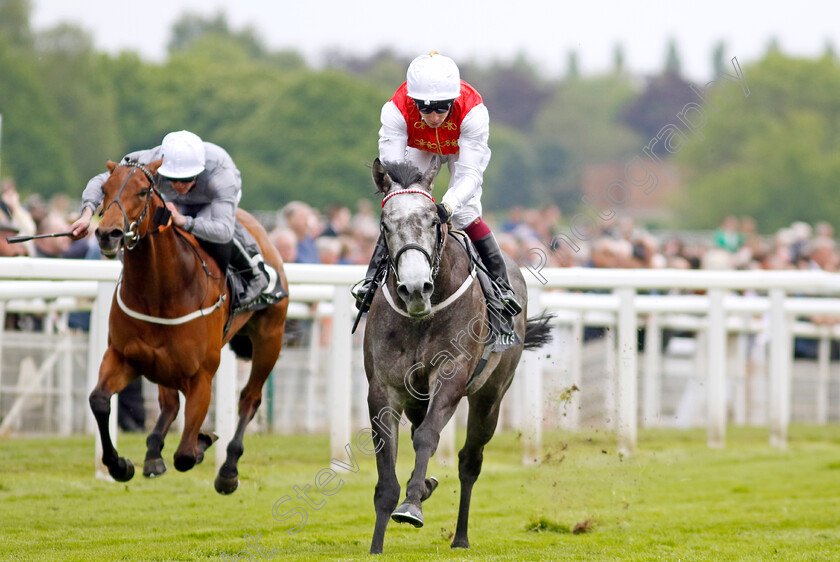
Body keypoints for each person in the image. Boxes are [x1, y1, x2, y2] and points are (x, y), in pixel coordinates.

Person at [352, 51, 521, 317]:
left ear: (453, 100)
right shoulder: (395, 110)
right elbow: (395, 175)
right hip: (418, 149)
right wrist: (406, 198)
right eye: (426, 107)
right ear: (412, 100)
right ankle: (371, 280)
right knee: (403, 210)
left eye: (442, 107)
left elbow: (470, 175)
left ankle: (502, 286)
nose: (434, 116)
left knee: (465, 214)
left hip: (459, 152)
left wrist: (448, 206)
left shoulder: (473, 111)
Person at [69, 130, 286, 314]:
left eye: (186, 179)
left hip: (209, 201)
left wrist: (184, 221)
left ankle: (256, 274)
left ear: (199, 172)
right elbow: (102, 180)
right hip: (172, 202)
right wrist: (87, 214)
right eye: (173, 179)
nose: (179, 185)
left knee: (206, 226)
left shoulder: (221, 177)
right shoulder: (147, 159)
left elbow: (223, 231)